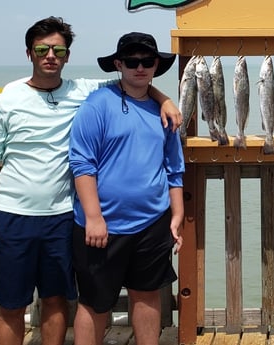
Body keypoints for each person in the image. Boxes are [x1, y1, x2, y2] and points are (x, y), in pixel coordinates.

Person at [0, 17, 181, 345]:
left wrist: (163, 98)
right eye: (42, 49)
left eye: (58, 50)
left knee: (56, 299)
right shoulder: (7, 99)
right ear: (30, 53)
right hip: (12, 216)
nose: (50, 55)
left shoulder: (83, 91)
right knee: (12, 303)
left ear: (67, 56)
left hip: (61, 216)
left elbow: (135, 85)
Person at [69, 32, 184, 345]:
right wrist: (94, 217)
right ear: (118, 64)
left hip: (152, 223)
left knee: (147, 295)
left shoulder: (166, 113)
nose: (140, 67)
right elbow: (82, 165)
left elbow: (174, 168)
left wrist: (177, 214)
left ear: (156, 65)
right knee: (94, 302)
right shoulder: (97, 105)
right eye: (132, 61)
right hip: (102, 225)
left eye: (147, 61)